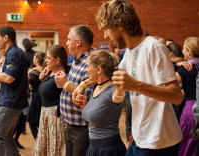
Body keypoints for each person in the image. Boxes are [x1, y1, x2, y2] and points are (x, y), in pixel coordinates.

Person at [74, 0, 184, 155]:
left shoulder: (153, 47)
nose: (105, 35)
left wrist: (136, 86)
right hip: (139, 137)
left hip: (158, 142)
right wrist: (82, 85)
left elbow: (176, 95)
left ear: (119, 25)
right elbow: (109, 76)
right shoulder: (130, 52)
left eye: (106, 29)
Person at [75, 50, 127, 155]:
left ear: (98, 69)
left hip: (109, 149)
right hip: (94, 147)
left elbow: (118, 96)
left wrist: (120, 90)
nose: (86, 70)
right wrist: (86, 106)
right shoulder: (97, 86)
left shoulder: (112, 90)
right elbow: (102, 113)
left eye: (88, 66)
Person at [0, 26, 30, 156]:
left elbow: (9, 78)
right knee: (6, 137)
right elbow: (13, 78)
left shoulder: (14, 53)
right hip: (12, 101)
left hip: (10, 103)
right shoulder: (14, 53)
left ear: (5, 38)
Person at [54, 25, 93, 156]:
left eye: (69, 39)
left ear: (78, 42)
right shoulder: (77, 60)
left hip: (82, 127)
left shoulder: (91, 62)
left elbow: (88, 95)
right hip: (71, 124)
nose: (66, 43)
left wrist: (65, 84)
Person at [33, 45, 68, 156]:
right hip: (46, 115)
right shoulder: (50, 72)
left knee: (55, 149)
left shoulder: (62, 75)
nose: (45, 60)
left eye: (48, 58)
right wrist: (44, 78)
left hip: (55, 117)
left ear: (58, 60)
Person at [176, 37, 199, 156]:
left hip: (191, 109)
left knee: (187, 144)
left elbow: (166, 83)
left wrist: (177, 65)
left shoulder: (185, 69)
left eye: (184, 48)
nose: (182, 51)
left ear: (189, 51)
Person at [28, 52, 46, 139]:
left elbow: (25, 83)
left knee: (32, 122)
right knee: (40, 122)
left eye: (34, 57)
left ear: (37, 60)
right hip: (44, 98)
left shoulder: (33, 72)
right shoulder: (46, 71)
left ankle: (39, 143)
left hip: (36, 97)